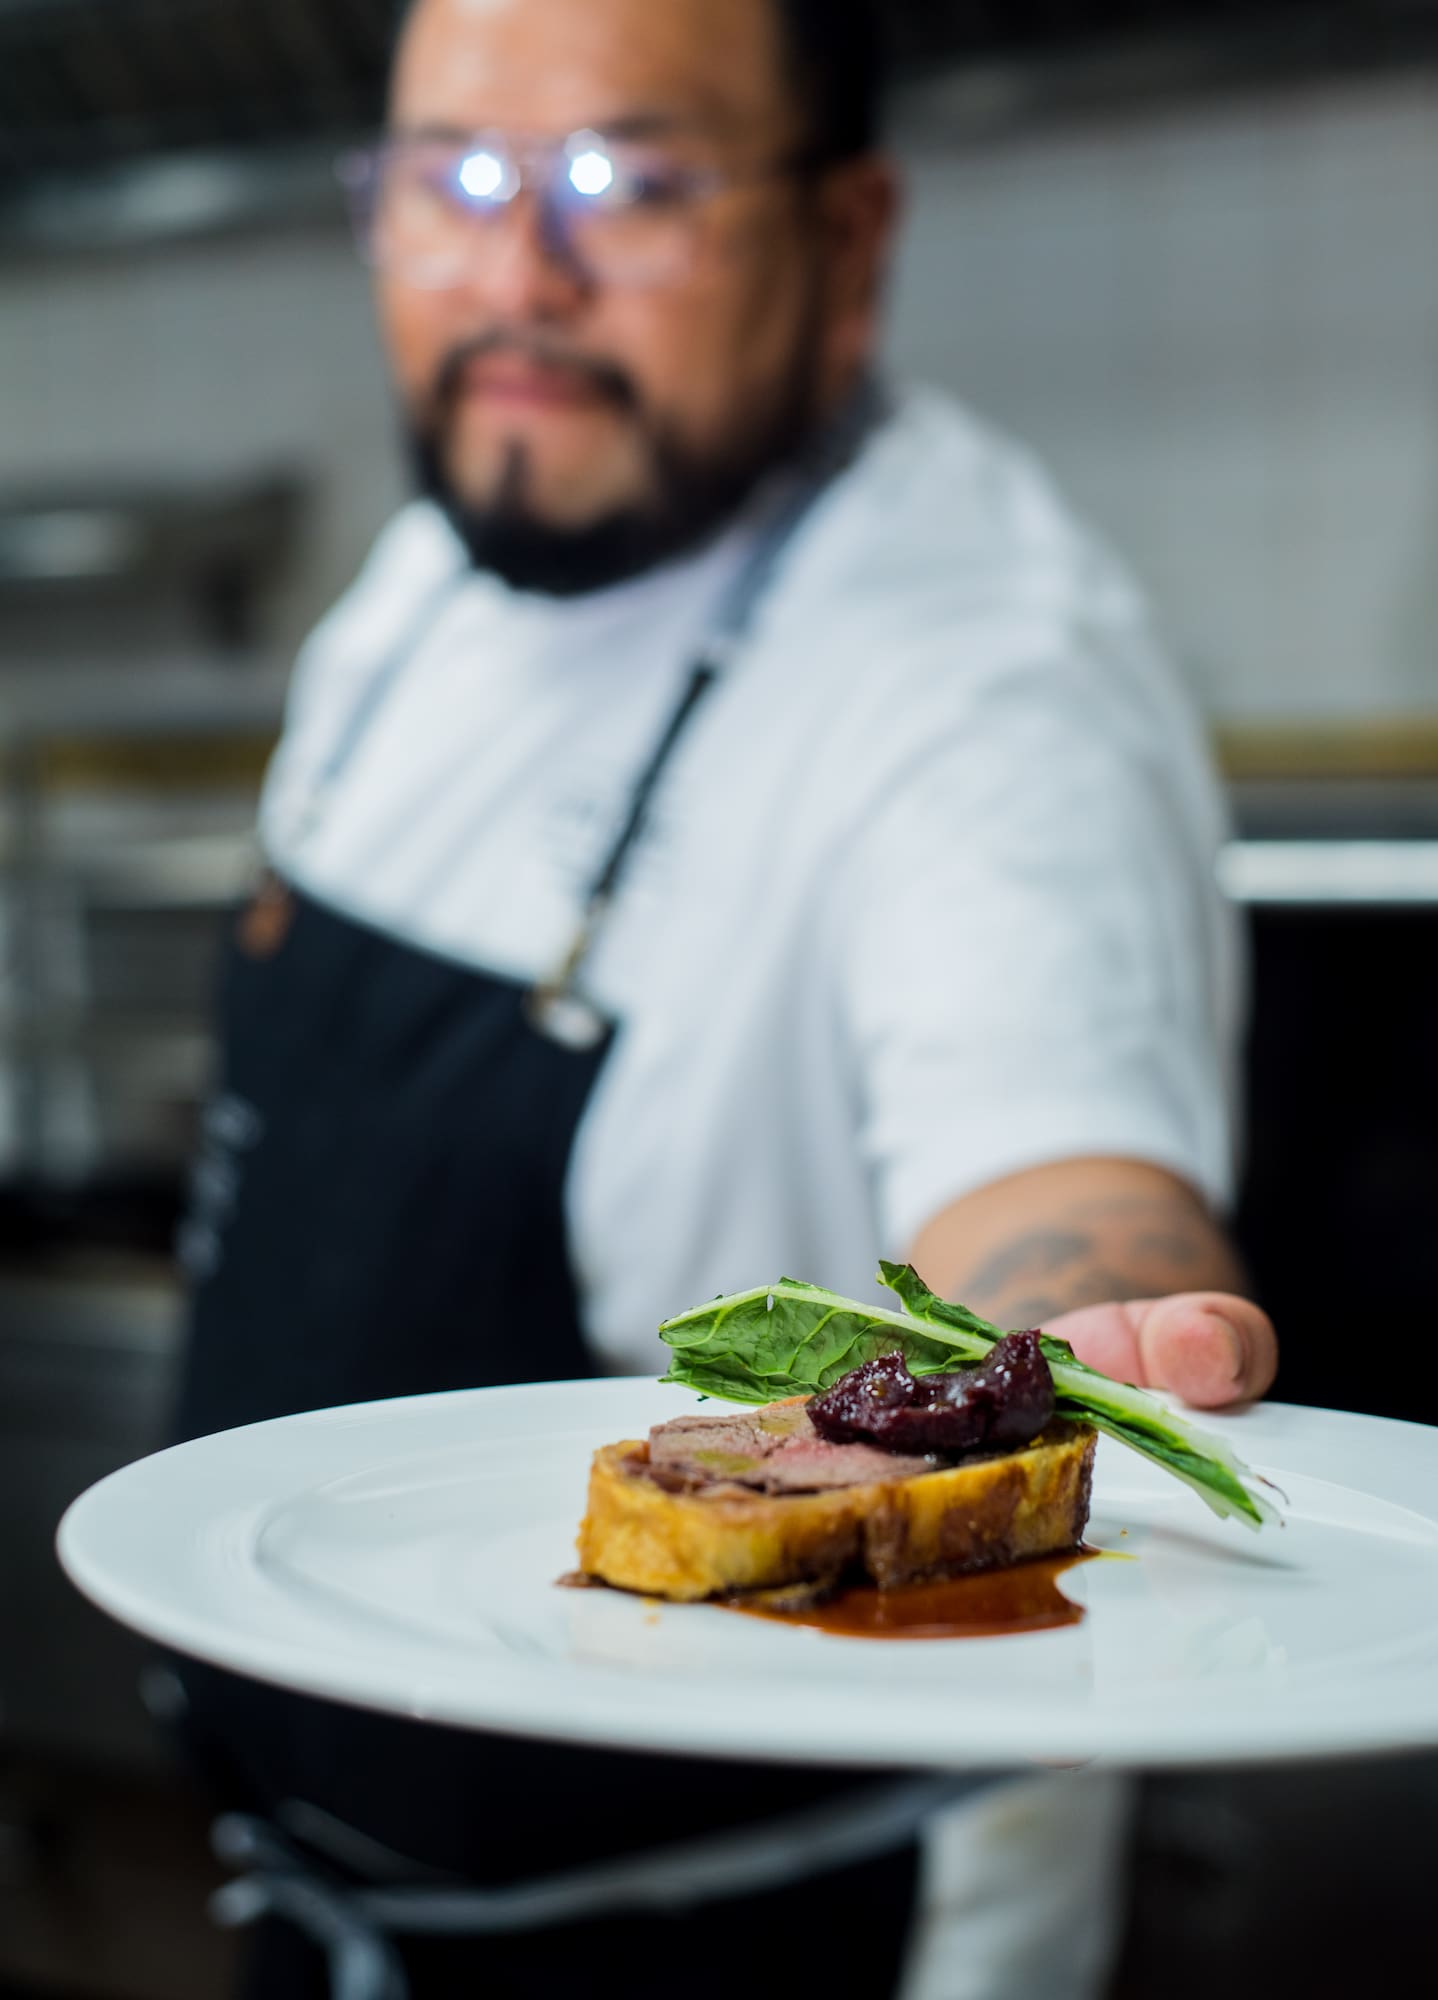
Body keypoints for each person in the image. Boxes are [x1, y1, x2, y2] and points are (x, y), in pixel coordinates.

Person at [167, 1, 1278, 1995]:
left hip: (736, 1928)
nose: (517, 271)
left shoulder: (984, 690)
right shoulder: (442, 570)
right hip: (340, 1894)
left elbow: (1061, 1174)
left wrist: (1068, 1331)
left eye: (629, 183)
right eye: (447, 181)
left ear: (847, 242)